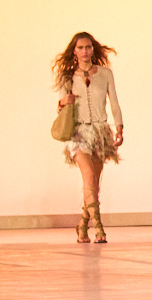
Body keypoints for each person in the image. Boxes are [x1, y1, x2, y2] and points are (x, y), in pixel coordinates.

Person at [51, 31, 125, 243]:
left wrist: (119, 127)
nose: (85, 51)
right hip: (79, 133)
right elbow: (61, 107)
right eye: (81, 47)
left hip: (100, 133)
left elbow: (114, 102)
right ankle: (99, 228)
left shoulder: (105, 74)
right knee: (89, 177)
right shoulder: (67, 76)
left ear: (93, 49)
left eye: (88, 47)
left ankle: (83, 225)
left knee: (94, 183)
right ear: (74, 51)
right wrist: (63, 101)